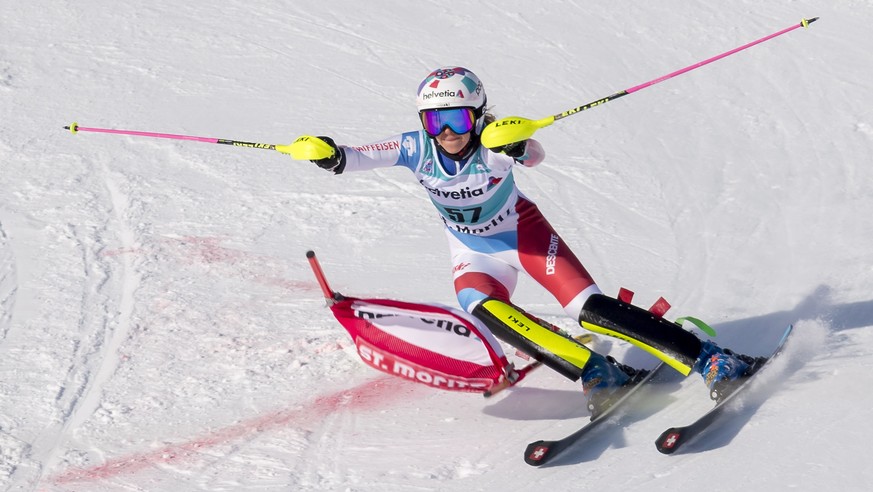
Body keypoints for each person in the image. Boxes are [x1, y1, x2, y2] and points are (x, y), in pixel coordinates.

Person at [303, 66, 755, 406]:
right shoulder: (413, 147)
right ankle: (597, 371)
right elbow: (354, 157)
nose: (446, 133)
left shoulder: (493, 146)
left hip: (524, 237)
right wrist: (328, 155)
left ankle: (711, 358)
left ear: (478, 117)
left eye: (458, 120)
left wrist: (517, 146)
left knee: (588, 312)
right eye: (434, 121)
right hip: (473, 252)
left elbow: (532, 154)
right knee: (484, 309)